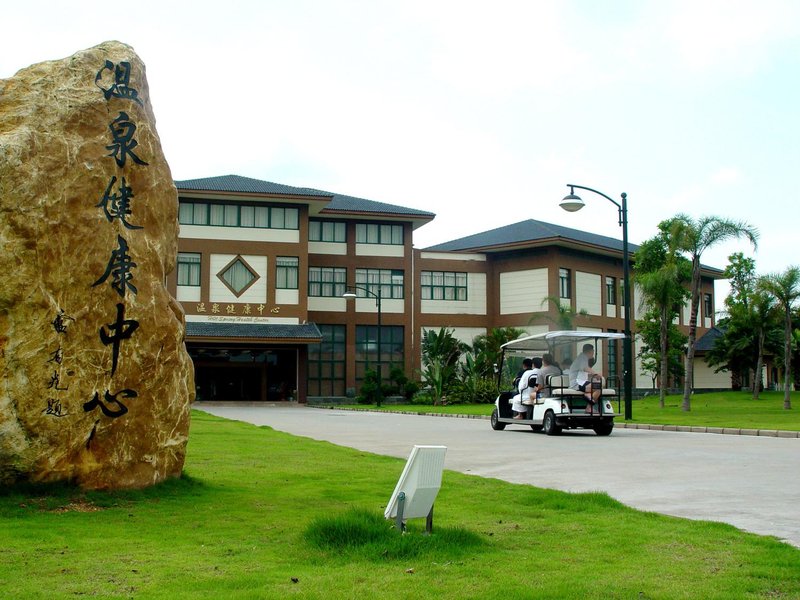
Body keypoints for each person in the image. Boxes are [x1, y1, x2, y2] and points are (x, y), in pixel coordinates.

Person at [568, 343, 602, 413]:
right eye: (593, 351)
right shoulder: (582, 358)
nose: (593, 353)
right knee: (598, 387)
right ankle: (589, 407)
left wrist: (594, 376)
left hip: (581, 382)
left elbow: (583, 372)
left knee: (597, 385)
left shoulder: (582, 358)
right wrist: (596, 374)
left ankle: (588, 395)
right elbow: (585, 368)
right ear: (590, 351)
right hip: (576, 383)